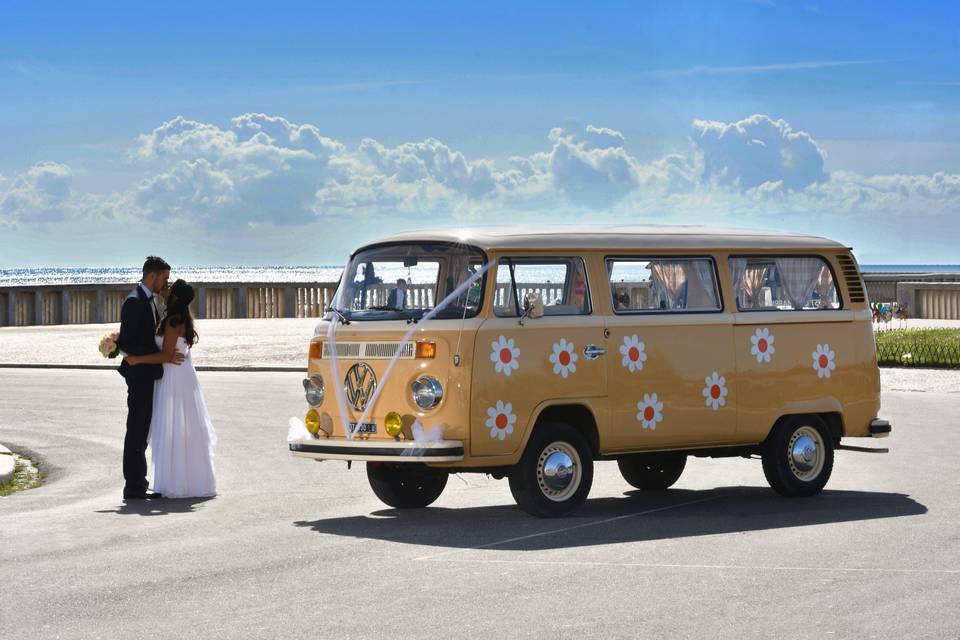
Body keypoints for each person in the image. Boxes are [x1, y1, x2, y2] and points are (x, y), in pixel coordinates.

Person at [125, 279, 217, 499]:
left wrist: (137, 359)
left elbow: (167, 355)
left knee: (174, 427)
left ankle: (177, 481)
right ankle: (178, 478)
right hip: (175, 374)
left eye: (170, 287)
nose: (166, 289)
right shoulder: (173, 317)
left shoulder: (174, 320)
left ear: (175, 296)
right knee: (173, 427)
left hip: (174, 377)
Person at [117, 256, 183, 500]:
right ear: (152, 276)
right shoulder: (134, 301)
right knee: (136, 429)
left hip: (147, 373)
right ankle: (133, 486)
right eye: (164, 278)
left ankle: (139, 482)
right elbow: (129, 343)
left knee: (142, 429)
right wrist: (161, 355)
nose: (166, 283)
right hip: (139, 375)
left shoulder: (148, 300)